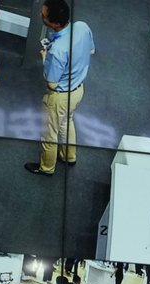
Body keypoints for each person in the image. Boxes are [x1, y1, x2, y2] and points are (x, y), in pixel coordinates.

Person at [25, 0, 94, 176]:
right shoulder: (82, 27)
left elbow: (51, 83)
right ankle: (69, 156)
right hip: (78, 90)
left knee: (49, 134)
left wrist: (45, 57)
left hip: (59, 97)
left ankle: (46, 167)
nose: (40, 15)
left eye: (43, 15)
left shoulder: (57, 50)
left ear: (55, 23)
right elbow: (91, 50)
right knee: (66, 122)